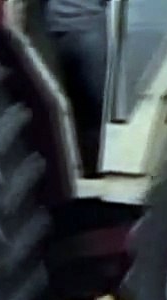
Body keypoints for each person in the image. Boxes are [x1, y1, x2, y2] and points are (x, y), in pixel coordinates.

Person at [45, 0, 109, 174]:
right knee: (92, 107)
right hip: (85, 26)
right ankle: (92, 166)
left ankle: (90, 166)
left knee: (84, 106)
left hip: (61, 28)